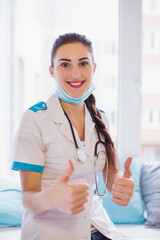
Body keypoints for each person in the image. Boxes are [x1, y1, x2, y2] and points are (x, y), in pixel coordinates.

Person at [12, 33, 134, 240]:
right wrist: (49, 199)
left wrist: (120, 185)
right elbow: (28, 197)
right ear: (52, 72)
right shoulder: (34, 119)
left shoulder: (101, 118)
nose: (75, 73)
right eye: (65, 65)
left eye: (83, 63)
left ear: (94, 68)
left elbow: (112, 174)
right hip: (52, 233)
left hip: (99, 228)